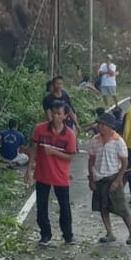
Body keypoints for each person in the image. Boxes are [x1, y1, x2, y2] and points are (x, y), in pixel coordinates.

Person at [25, 101, 78, 246]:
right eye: (54, 113)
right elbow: (33, 149)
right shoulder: (40, 129)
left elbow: (71, 157)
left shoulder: (69, 135)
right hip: (42, 174)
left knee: (64, 207)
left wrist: (54, 152)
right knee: (42, 207)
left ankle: (68, 235)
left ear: (65, 116)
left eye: (59, 114)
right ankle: (45, 234)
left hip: (61, 175)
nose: (55, 117)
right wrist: (29, 170)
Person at [88, 113, 131, 245]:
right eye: (99, 124)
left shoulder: (118, 141)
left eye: (102, 125)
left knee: (122, 207)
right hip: (99, 177)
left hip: (113, 176)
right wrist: (91, 178)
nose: (100, 127)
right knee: (103, 207)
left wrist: (118, 180)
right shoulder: (95, 140)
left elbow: (124, 163)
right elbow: (91, 160)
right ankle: (109, 232)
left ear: (110, 127)